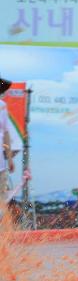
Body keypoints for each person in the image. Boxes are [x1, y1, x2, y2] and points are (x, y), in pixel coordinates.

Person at [0, 77, 13, 213]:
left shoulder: (2, 106)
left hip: (0, 165)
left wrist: (9, 158)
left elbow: (6, 133)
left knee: (1, 202)